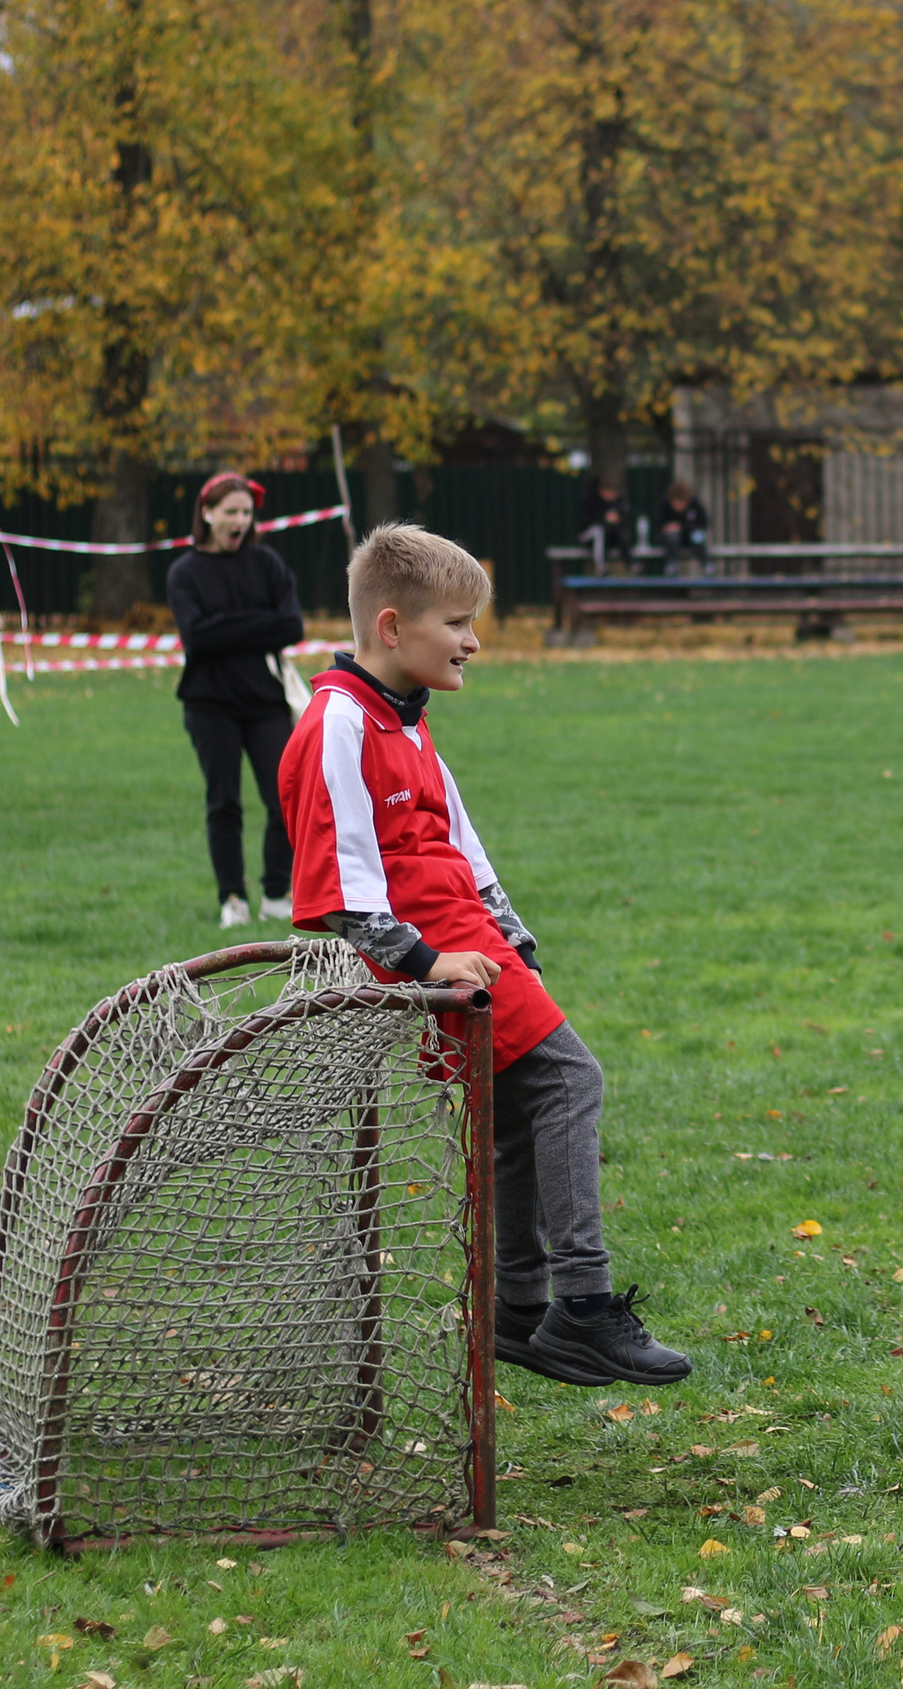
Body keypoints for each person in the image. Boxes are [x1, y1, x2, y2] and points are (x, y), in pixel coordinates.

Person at [278, 523, 692, 1389]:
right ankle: (582, 1307)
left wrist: (520, 946)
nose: (473, 642)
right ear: (393, 628)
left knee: (513, 1118)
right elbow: (341, 891)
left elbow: (467, 854)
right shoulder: (338, 723)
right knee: (572, 1080)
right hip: (434, 963)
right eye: (458, 623)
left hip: (474, 950)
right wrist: (429, 963)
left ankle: (514, 1308)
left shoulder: (407, 720)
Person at [167, 472, 306, 931]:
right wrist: (256, 622)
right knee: (223, 803)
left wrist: (226, 625)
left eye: (246, 513)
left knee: (284, 798)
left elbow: (291, 627)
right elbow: (197, 638)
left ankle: (274, 892)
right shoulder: (184, 573)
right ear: (207, 514)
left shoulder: (266, 564)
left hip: (265, 702)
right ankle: (232, 898)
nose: (240, 521)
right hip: (210, 705)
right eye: (231, 512)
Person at [655, 477, 709, 576]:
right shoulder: (664, 504)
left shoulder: (695, 503)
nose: (679, 506)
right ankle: (671, 564)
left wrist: (683, 527)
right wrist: (667, 528)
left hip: (689, 536)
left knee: (697, 536)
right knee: (672, 536)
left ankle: (706, 564)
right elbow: (658, 523)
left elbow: (704, 522)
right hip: (671, 539)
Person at [577, 480, 629, 571]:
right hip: (588, 536)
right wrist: (605, 519)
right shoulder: (591, 501)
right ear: (603, 491)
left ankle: (631, 563)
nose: (614, 496)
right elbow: (587, 522)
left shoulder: (616, 504)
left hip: (608, 540)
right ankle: (600, 566)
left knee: (620, 533)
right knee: (599, 530)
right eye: (611, 493)